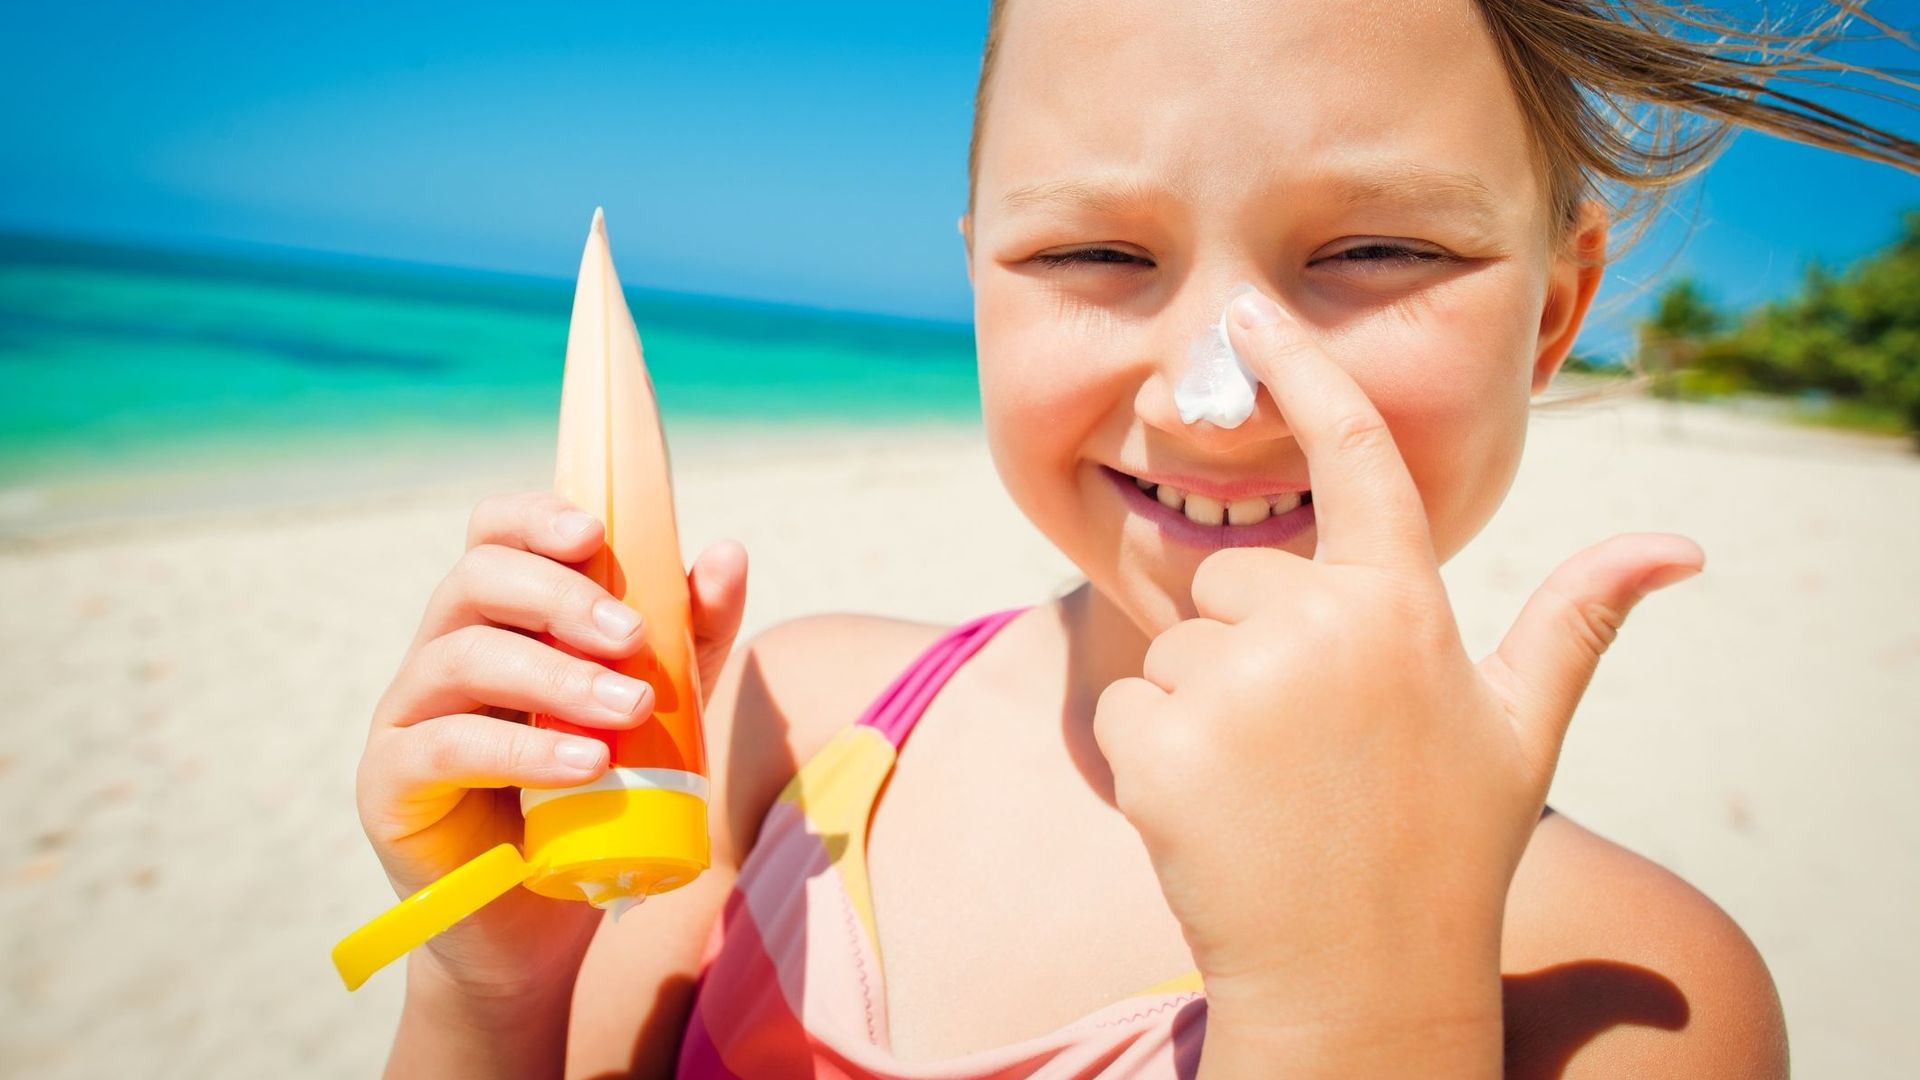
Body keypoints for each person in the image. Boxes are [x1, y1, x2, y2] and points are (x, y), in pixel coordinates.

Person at [354, 1, 1918, 1076]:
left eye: (1376, 249)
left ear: (1554, 313)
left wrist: (1360, 1014)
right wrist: (493, 986)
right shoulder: (792, 730)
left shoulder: (1626, 988)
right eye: (1095, 251)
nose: (1214, 395)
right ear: (979, 276)